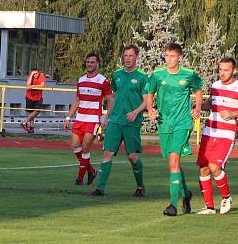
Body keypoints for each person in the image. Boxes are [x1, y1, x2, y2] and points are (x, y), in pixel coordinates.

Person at [143, 42, 203, 217]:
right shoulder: (157, 75)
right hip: (164, 123)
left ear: (179, 58)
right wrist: (150, 108)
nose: (169, 59)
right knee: (173, 163)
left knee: (173, 162)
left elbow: (198, 90)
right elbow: (149, 93)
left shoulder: (189, 74)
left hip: (182, 123)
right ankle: (186, 195)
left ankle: (172, 205)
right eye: (167, 56)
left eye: (173, 56)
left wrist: (197, 108)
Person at [91, 45, 148, 197]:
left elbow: (146, 101)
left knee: (132, 156)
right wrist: (107, 117)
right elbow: (113, 97)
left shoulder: (142, 77)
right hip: (115, 120)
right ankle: (100, 188)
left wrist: (135, 112)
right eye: (125, 55)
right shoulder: (117, 75)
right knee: (107, 153)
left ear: (136, 57)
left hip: (131, 123)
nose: (127, 58)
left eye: (130, 55)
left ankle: (140, 186)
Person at [194, 56, 237, 215]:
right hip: (209, 132)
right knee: (204, 169)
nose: (222, 73)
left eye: (226, 70)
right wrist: (198, 107)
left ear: (234, 70)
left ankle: (226, 197)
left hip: (226, 133)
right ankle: (210, 208)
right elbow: (210, 104)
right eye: (220, 69)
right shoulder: (216, 85)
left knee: (214, 167)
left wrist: (233, 113)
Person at [64, 53, 111, 186]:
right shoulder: (81, 80)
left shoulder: (103, 81)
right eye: (88, 62)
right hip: (80, 119)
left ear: (97, 64)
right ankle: (91, 171)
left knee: (85, 148)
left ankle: (79, 178)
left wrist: (106, 117)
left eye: (92, 62)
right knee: (74, 146)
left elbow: (110, 99)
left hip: (93, 120)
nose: (89, 64)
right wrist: (68, 117)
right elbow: (77, 100)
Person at [21, 67, 46, 133]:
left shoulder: (41, 75)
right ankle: (31, 128)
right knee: (31, 112)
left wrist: (33, 86)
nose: (35, 75)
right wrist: (31, 75)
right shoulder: (31, 76)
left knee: (36, 111)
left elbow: (42, 86)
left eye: (36, 73)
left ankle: (24, 122)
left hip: (38, 97)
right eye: (34, 74)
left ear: (38, 72)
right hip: (29, 96)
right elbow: (28, 85)